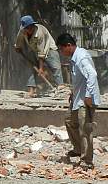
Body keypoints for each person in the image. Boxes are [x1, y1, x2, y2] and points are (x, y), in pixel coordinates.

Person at [56, 32, 100, 168]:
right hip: (78, 97)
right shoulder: (75, 57)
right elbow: (80, 78)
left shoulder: (81, 57)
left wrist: (88, 95)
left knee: (85, 129)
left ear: (68, 45)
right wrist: (73, 92)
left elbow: (92, 75)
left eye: (62, 49)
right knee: (69, 120)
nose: (61, 52)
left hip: (85, 100)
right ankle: (79, 149)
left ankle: (87, 161)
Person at [14, 15, 63, 97]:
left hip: (49, 48)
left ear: (33, 26)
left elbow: (42, 52)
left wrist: (41, 68)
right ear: (24, 28)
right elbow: (19, 41)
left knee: (55, 68)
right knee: (32, 68)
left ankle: (61, 89)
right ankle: (31, 91)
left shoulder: (40, 32)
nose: (29, 30)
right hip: (35, 50)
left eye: (31, 27)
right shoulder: (22, 31)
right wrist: (18, 47)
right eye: (27, 28)